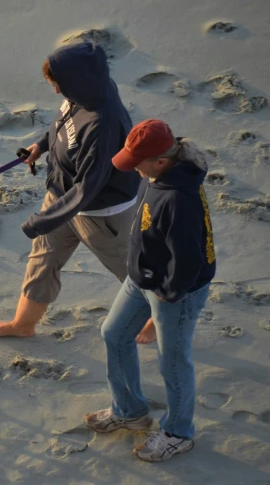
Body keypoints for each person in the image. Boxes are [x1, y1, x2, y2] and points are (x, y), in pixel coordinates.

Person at [0, 42, 140, 338]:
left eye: (58, 86)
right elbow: (64, 126)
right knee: (42, 262)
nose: (56, 92)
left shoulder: (102, 124)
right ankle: (22, 325)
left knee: (132, 271)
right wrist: (41, 146)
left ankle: (156, 318)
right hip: (63, 198)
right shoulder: (82, 93)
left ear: (76, 82)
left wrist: (43, 220)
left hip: (101, 214)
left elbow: (88, 187)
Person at [84, 119, 217, 462]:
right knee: (113, 334)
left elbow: (187, 262)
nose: (133, 169)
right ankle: (129, 410)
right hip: (141, 280)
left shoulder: (179, 198)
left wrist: (168, 296)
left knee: (172, 362)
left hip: (174, 291)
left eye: (137, 163)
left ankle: (178, 432)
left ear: (161, 160)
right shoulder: (158, 176)